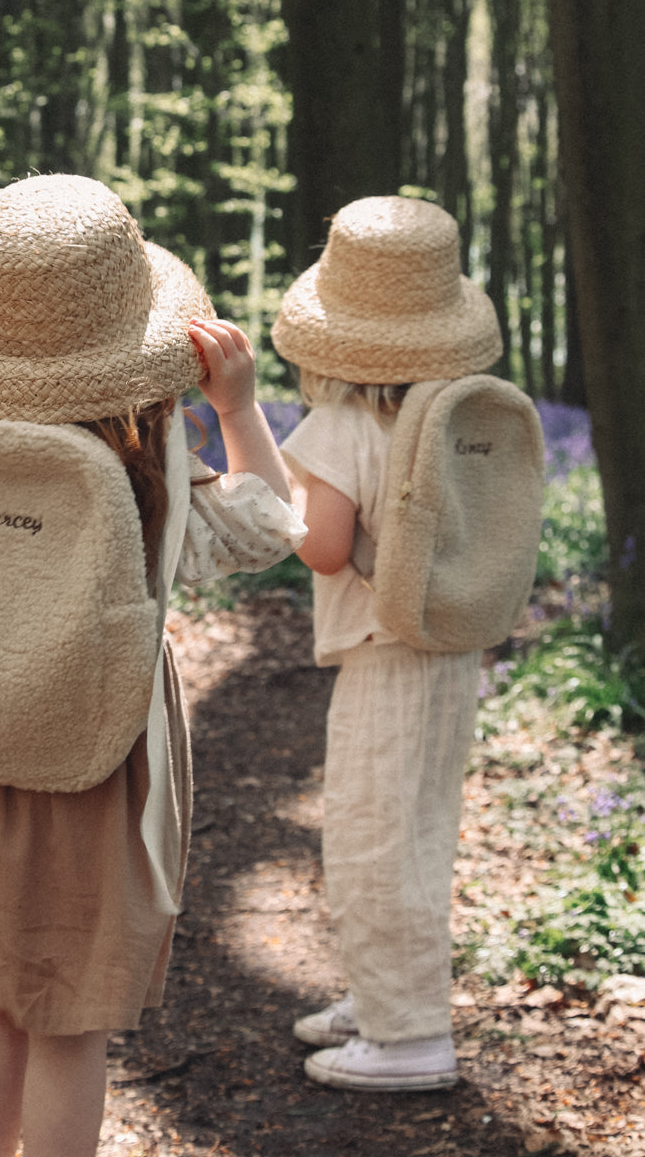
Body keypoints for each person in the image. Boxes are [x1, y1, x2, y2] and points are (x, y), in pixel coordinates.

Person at [0, 173, 304, 1157]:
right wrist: (239, 408)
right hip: (94, 754)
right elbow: (270, 528)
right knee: (67, 1017)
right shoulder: (155, 458)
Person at [270, 194, 504, 1093]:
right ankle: (384, 997)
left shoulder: (338, 429)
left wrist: (273, 510)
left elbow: (324, 547)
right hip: (449, 643)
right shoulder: (451, 419)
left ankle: (406, 1038)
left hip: (380, 650)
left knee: (371, 836)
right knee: (418, 830)